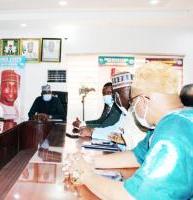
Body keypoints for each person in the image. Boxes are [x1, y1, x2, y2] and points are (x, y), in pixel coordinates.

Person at [73, 62, 193, 200]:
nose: (132, 108)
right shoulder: (171, 122)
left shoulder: (174, 134)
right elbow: (136, 156)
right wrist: (89, 161)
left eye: (133, 101)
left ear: (143, 100)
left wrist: (83, 175)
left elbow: (133, 197)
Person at [90, 72, 146, 149]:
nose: (114, 97)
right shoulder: (127, 113)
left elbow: (139, 143)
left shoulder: (141, 114)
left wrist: (92, 132)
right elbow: (115, 130)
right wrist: (93, 131)